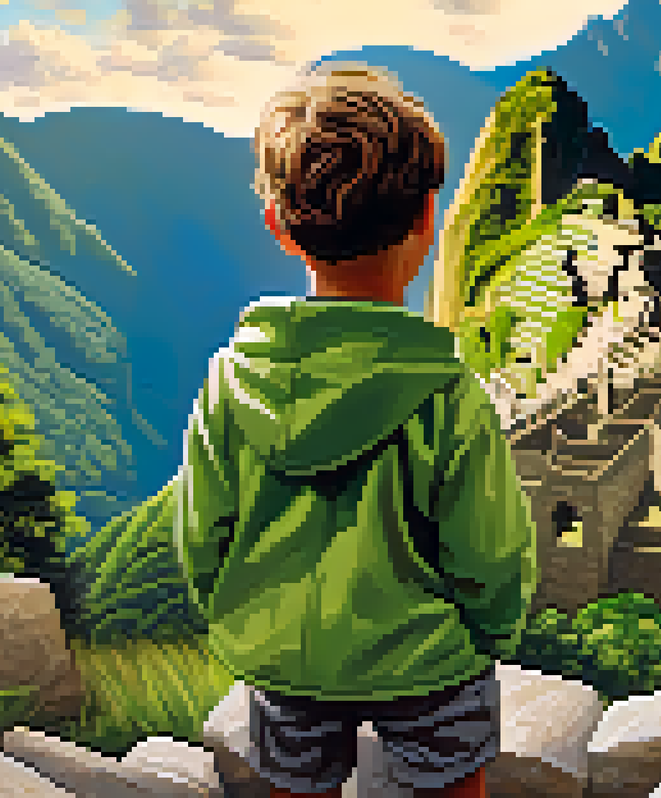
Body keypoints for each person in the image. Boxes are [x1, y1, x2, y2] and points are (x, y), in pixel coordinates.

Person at [174, 61, 539, 798]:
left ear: (279, 227)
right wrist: (490, 636)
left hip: (284, 654)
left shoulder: (229, 381)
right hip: (427, 660)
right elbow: (489, 551)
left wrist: (243, 614)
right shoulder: (448, 393)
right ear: (429, 218)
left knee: (290, 784)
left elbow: (201, 533)